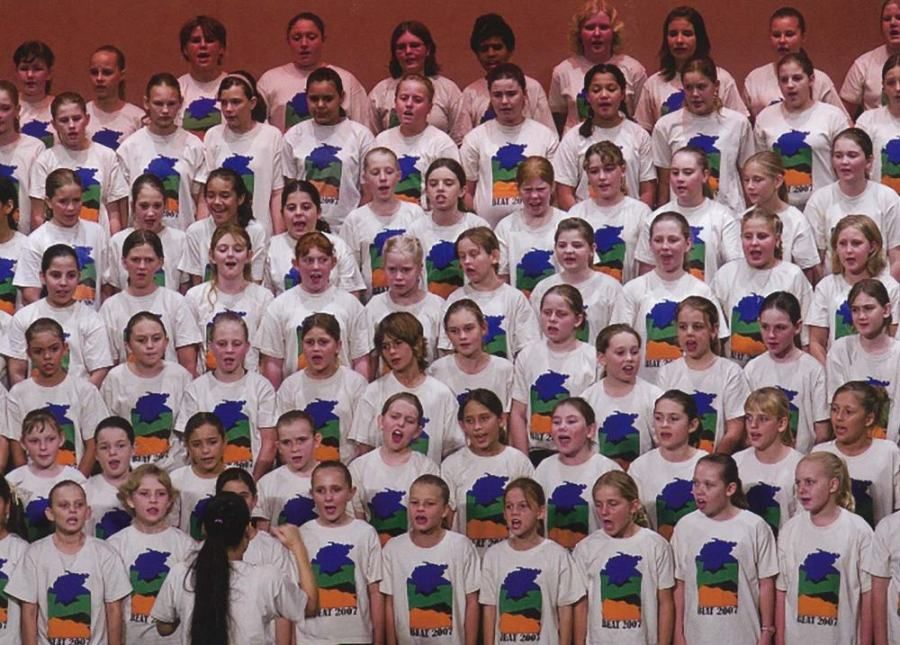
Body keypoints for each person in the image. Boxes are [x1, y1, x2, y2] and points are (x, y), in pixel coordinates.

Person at [151, 491, 318, 643]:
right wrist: (298, 546)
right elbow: (310, 607)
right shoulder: (267, 578)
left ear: (206, 530)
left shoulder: (181, 574)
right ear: (247, 531)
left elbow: (164, 627)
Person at [671, 455, 778, 645]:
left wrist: (767, 631)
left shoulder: (754, 526)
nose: (699, 491)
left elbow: (766, 583)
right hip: (698, 636)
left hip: (744, 636)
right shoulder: (685, 526)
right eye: (696, 483)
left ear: (730, 489)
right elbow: (680, 584)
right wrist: (678, 632)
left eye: (709, 485)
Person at [7, 480, 130, 645]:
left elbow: (114, 609)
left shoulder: (105, 553)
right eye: (64, 505)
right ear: (50, 513)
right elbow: (29, 612)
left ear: (87, 512)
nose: (72, 510)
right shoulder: (34, 554)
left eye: (78, 505)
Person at [613, 211, 726, 384]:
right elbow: (617, 343)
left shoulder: (702, 291)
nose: (665, 247)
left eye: (673, 240)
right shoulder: (633, 290)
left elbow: (717, 345)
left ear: (687, 244)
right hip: (645, 387)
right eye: (658, 240)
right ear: (650, 245)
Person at [775, 452, 875, 644]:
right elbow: (781, 592)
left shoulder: (858, 530)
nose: (801, 490)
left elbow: (867, 595)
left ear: (833, 485)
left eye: (810, 482)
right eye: (798, 483)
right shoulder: (790, 530)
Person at [258, 231, 371, 389]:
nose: (315, 267)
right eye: (308, 260)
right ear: (295, 264)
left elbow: (360, 360)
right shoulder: (278, 307)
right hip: (296, 396)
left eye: (322, 260)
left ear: (333, 263)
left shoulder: (351, 305)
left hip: (342, 397)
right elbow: (273, 363)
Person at [573, 470, 675, 644]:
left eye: (612, 504)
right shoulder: (586, 548)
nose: (604, 511)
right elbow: (581, 608)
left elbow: (665, 604)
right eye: (598, 504)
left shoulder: (655, 545)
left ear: (633, 506)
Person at [349, 312, 463, 466]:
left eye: (398, 343)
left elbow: (452, 452)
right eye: (385, 347)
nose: (392, 352)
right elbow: (364, 452)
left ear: (416, 344)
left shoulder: (441, 394)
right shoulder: (372, 393)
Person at [480, 477, 584, 645]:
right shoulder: (494, 556)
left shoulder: (556, 555)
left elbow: (565, 609)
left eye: (523, 506)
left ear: (540, 512)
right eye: (509, 507)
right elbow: (490, 609)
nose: (514, 512)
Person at [381, 474, 481, 644]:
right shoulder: (393, 548)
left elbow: (472, 603)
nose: (420, 509)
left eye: (429, 504)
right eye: (414, 503)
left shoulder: (461, 546)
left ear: (444, 510)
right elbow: (390, 604)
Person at [5, 318, 108, 477]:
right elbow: (17, 447)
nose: (47, 356)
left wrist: (77, 482)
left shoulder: (85, 390)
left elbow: (92, 444)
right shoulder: (18, 394)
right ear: (29, 354)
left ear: (65, 348)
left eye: (54, 349)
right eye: (38, 351)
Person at [460, 64, 559, 228]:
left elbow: (554, 190)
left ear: (525, 95)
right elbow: (466, 192)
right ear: (490, 98)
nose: (504, 101)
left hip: (538, 229)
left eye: (511, 94)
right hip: (487, 232)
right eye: (497, 95)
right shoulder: (475, 138)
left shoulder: (545, 136)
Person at [711, 208, 813, 366]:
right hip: (738, 372)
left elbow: (806, 338)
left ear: (777, 240)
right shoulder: (725, 274)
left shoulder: (793, 275)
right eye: (748, 236)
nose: (754, 243)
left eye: (762, 236)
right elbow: (716, 335)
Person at [652, 56, 753, 213]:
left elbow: (746, 175)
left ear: (716, 86)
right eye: (689, 88)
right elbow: (664, 182)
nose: (695, 94)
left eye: (701, 87)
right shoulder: (665, 126)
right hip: (681, 217)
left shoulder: (737, 123)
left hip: (729, 214)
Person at [180, 312, 276, 477]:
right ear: (210, 346)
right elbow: (189, 444)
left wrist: (252, 483)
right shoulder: (195, 390)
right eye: (222, 344)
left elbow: (269, 443)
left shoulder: (261, 387)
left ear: (247, 347)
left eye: (236, 344)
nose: (229, 350)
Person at [2, 244, 112, 387]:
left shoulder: (92, 320)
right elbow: (17, 371)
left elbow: (99, 370)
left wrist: (78, 401)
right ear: (42, 277)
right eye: (55, 275)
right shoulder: (24, 317)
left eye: (71, 275)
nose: (63, 283)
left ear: (79, 276)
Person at [298, 461, 384, 644]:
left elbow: (375, 592)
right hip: (310, 639)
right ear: (312, 494)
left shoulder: (365, 533)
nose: (328, 497)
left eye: (336, 490)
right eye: (321, 491)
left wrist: (378, 639)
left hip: (357, 637)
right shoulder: (302, 536)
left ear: (351, 493)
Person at [108, 464, 195, 645]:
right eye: (144, 494)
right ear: (130, 499)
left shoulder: (185, 545)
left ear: (170, 500)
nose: (153, 500)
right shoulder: (115, 545)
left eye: (161, 494)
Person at [282, 67, 375, 235]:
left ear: (342, 98)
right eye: (314, 99)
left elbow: (368, 192)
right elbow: (289, 189)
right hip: (304, 230)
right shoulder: (293, 136)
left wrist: (354, 226)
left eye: (328, 99)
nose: (320, 105)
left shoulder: (361, 136)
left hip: (348, 230)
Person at [441, 389, 534, 553]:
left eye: (484, 419)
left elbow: (533, 518)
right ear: (462, 425)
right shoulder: (451, 466)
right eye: (470, 421)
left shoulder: (519, 462)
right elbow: (446, 522)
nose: (477, 427)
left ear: (501, 420)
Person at [754, 52, 851, 210]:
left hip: (826, 207)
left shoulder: (833, 116)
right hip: (781, 209)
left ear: (811, 80)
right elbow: (761, 168)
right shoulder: (765, 117)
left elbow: (847, 166)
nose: (790, 85)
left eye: (797, 78)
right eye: (784, 80)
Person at [510, 286, 597, 458]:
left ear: (578, 319)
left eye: (561, 314)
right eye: (547, 312)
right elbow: (518, 413)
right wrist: (523, 459)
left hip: (580, 453)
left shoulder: (591, 357)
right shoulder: (527, 355)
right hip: (537, 451)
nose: (552, 319)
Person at [555, 64, 655, 211]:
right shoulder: (573, 138)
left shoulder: (639, 136)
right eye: (596, 90)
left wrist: (638, 220)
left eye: (611, 89)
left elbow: (648, 190)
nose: (604, 95)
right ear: (588, 96)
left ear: (622, 94)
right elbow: (564, 191)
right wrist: (581, 224)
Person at [657, 296, 749, 454]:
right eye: (683, 327)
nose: (689, 333)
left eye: (698, 327)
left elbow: (734, 430)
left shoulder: (730, 372)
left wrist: (712, 464)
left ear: (713, 330)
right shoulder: (667, 373)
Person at [100, 311, 193, 470]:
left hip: (175, 471)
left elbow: (189, 431)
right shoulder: (115, 379)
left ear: (166, 342)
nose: (150, 346)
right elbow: (107, 432)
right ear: (128, 345)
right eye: (141, 340)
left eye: (156, 339)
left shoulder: (180, 376)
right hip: (130, 473)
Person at [635, 146, 741, 284]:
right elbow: (646, 274)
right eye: (675, 173)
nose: (680, 179)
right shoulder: (655, 218)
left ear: (704, 175)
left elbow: (734, 270)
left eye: (687, 172)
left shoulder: (724, 217)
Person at [101, 230, 201, 374]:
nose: (142, 267)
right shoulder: (110, 308)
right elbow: (109, 364)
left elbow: (188, 364)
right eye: (135, 260)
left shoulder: (175, 302)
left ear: (160, 263)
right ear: (124, 262)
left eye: (149, 260)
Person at [116, 73, 207, 231]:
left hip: (182, 240)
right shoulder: (129, 148)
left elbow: (201, 201)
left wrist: (198, 238)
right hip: (141, 243)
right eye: (158, 103)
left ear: (180, 103)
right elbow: (122, 203)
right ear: (146, 103)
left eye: (171, 104)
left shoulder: (194, 146)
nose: (165, 110)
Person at [805, 127, 900, 279]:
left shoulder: (888, 198)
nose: (844, 162)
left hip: (878, 289)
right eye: (838, 156)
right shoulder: (819, 200)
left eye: (852, 155)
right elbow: (817, 261)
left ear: (869, 161)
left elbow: (897, 257)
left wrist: (883, 293)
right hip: (835, 290)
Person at [634, 6, 748, 132]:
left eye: (687, 34)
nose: (679, 40)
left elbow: (740, 127)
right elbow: (643, 133)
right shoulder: (653, 84)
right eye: (673, 34)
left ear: (699, 38)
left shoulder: (722, 78)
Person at [29, 92, 129, 233]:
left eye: (76, 119)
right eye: (64, 120)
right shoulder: (45, 161)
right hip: (58, 246)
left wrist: (114, 246)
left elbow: (114, 213)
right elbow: (38, 215)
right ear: (54, 124)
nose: (71, 125)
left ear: (87, 119)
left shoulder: (107, 156)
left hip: (97, 243)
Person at [258, 11, 375, 132]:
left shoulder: (346, 80)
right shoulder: (270, 81)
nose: (304, 44)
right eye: (297, 38)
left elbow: (362, 128)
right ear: (288, 41)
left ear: (323, 39)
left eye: (311, 37)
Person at [275, 313, 368, 465]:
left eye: (323, 342)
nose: (316, 348)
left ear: (338, 346)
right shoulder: (290, 386)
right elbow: (283, 441)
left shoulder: (356, 384)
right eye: (309, 342)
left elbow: (364, 443)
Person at [348, 393, 440, 545]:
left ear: (417, 431)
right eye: (395, 416)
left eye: (409, 421)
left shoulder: (426, 468)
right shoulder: (358, 468)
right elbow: (356, 522)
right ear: (381, 421)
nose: (401, 424)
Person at [15, 168, 112, 311]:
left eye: (76, 200)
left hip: (88, 323)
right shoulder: (36, 241)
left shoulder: (96, 233)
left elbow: (105, 285)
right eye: (63, 201)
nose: (71, 208)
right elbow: (30, 295)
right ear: (48, 202)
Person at [744, 291, 830, 453]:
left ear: (797, 327)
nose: (771, 335)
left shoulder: (813, 369)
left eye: (780, 328)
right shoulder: (752, 369)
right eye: (765, 327)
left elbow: (822, 431)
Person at [807, 214, 900, 363]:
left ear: (872, 246)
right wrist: (832, 375)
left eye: (856, 243)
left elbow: (893, 339)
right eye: (842, 244)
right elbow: (816, 342)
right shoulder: (826, 287)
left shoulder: (891, 288)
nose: (848, 250)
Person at [201, 72, 284, 237]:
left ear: (252, 103)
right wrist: (204, 233)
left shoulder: (271, 136)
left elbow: (277, 193)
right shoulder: (213, 135)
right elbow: (205, 193)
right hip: (220, 236)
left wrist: (278, 238)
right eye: (224, 103)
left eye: (236, 102)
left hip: (258, 232)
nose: (229, 109)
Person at [437, 227, 540, 360]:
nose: (467, 261)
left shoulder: (514, 299)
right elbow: (447, 351)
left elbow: (527, 350)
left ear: (494, 256)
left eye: (474, 254)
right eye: (462, 257)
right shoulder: (455, 300)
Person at [184, 223, 273, 372]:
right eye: (223, 250)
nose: (230, 254)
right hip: (207, 385)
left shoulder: (264, 298)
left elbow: (267, 357)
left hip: (249, 385)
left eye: (238, 250)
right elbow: (189, 357)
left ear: (249, 256)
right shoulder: (194, 297)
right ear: (211, 256)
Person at [534, 398, 621, 548]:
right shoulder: (544, 468)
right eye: (556, 422)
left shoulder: (607, 469)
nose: (562, 427)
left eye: (571, 421)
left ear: (590, 430)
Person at [454, 13, 554, 144]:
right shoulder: (470, 93)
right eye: (484, 49)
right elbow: (463, 141)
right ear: (477, 54)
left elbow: (548, 135)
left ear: (510, 50)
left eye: (497, 47)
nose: (491, 54)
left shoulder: (532, 87)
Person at [340, 147, 426, 298]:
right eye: (375, 173)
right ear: (364, 177)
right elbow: (350, 274)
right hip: (372, 305)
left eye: (389, 171)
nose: (383, 178)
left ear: (398, 176)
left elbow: (422, 265)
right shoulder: (354, 219)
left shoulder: (415, 213)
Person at [550, 1, 648, 133]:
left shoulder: (634, 70)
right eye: (590, 28)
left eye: (603, 27)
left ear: (614, 32)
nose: (597, 34)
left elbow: (641, 118)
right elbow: (557, 119)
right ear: (579, 33)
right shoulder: (563, 71)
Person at [813, 380, 900, 528]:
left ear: (868, 419)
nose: (839, 417)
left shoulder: (888, 453)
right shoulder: (820, 453)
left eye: (848, 412)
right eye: (834, 409)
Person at [564, 142, 652, 282]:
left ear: (622, 170)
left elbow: (647, 270)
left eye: (609, 169)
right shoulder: (577, 213)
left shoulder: (641, 213)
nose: (602, 177)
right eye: (594, 171)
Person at [528, 217, 622, 347]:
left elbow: (617, 338)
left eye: (577, 245)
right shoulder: (543, 288)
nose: (568, 251)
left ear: (592, 249)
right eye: (562, 245)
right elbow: (534, 335)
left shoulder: (611, 288)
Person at [826, 279, 900, 442]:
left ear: (886, 310)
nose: (861, 316)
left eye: (868, 308)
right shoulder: (841, 350)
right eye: (855, 310)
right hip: (851, 445)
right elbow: (838, 405)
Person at [581, 323, 662, 469]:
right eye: (620, 353)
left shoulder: (654, 397)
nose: (629, 358)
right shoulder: (587, 400)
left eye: (634, 351)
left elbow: (662, 447)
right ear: (602, 358)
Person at [743, 7, 847, 119]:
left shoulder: (820, 80)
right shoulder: (754, 79)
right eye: (776, 35)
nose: (782, 41)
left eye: (789, 34)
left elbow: (845, 126)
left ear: (803, 37)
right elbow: (744, 127)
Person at [264, 179, 364, 296]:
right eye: (291, 208)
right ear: (282, 214)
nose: (298, 213)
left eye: (306, 207)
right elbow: (267, 298)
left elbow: (351, 298)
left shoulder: (338, 246)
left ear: (319, 212)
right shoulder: (271, 247)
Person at [408, 158, 490, 297]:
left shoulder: (478, 226)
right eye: (433, 184)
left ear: (462, 191)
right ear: (426, 191)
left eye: (448, 183)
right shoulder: (415, 230)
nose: (440, 188)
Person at [628, 390, 705, 540]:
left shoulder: (708, 465)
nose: (664, 425)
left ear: (692, 425)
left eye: (673, 419)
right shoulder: (639, 468)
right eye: (658, 418)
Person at [375, 74, 460, 205]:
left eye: (417, 100)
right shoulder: (381, 141)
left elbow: (452, 193)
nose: (409, 104)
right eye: (403, 98)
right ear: (395, 103)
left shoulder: (442, 144)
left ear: (429, 107)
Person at [5, 410, 88, 541]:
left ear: (61, 439)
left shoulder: (76, 479)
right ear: (22, 443)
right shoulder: (13, 481)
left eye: (50, 439)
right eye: (34, 441)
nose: (43, 447)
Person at [732, 387, 804, 536]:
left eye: (763, 419)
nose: (753, 425)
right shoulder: (736, 462)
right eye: (749, 418)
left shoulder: (800, 465)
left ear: (781, 423)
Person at [369, 21, 462, 135]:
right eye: (401, 47)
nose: (408, 51)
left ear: (428, 50)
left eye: (415, 45)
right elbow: (371, 140)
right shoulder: (380, 92)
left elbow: (459, 137)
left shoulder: (448, 90)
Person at [363, 235, 443, 364]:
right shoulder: (373, 307)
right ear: (384, 268)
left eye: (406, 270)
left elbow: (443, 361)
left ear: (419, 269)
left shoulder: (437, 307)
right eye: (392, 269)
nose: (398, 277)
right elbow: (371, 360)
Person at [741, 151, 820, 282]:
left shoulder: (796, 220)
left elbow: (807, 272)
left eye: (757, 180)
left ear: (777, 181)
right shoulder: (744, 218)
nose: (750, 186)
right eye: (746, 180)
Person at [179, 167, 267, 284]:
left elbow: (255, 282)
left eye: (224, 196)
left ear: (240, 198)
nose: (217, 202)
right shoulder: (195, 231)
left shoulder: (256, 231)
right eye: (211, 196)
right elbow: (197, 285)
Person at [494, 156, 566, 297]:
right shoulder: (505, 227)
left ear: (552, 187)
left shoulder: (567, 223)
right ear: (518, 189)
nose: (534, 196)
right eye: (527, 190)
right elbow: (501, 280)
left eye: (540, 189)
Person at [428, 300, 515, 409]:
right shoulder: (437, 371)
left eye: (469, 328)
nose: (462, 336)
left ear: (483, 328)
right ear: (447, 334)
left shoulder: (505, 370)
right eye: (454, 331)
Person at [108, 174, 188, 292]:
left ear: (165, 206)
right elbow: (114, 291)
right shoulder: (117, 241)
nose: (151, 213)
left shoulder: (180, 240)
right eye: (144, 206)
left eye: (157, 206)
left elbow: (183, 289)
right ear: (133, 206)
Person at [255, 411, 319, 531]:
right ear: (278, 447)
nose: (294, 448)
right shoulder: (266, 483)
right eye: (286, 443)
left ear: (316, 440)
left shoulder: (333, 478)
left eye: (301, 440)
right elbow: (263, 537)